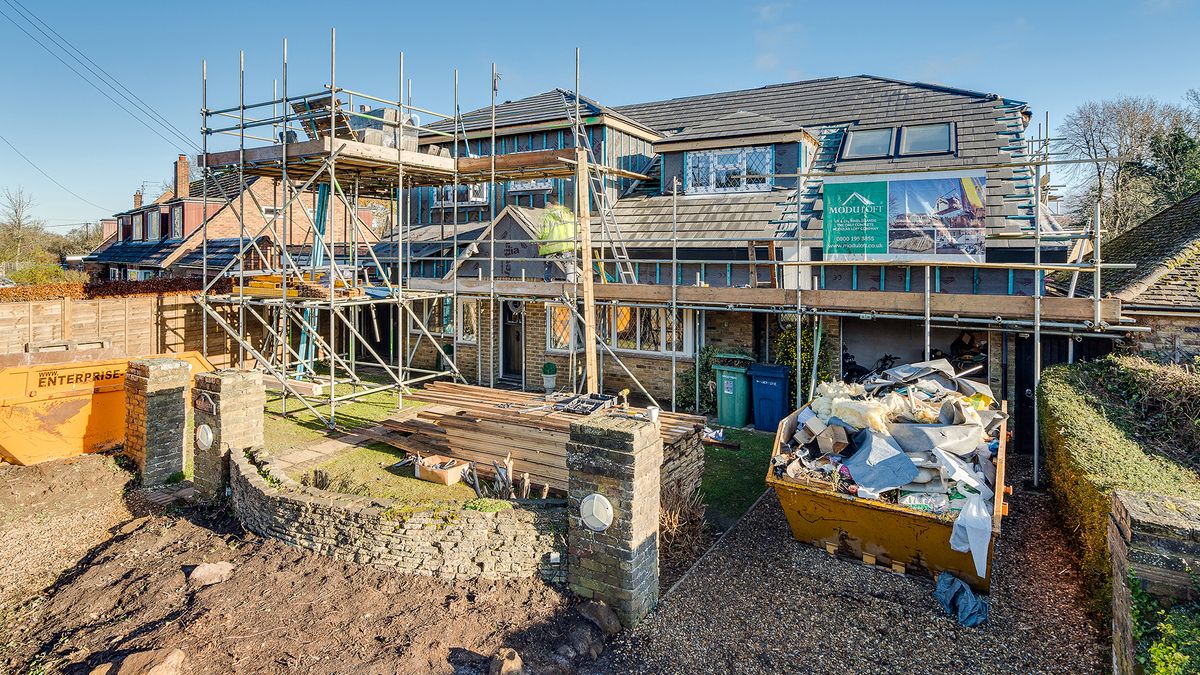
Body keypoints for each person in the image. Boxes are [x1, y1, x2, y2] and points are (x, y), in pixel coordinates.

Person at [539, 194, 577, 282]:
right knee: (568, 264)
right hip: (566, 244)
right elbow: (575, 228)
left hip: (552, 244)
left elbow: (545, 232)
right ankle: (570, 282)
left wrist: (541, 242)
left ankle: (547, 282)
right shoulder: (569, 215)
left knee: (548, 263)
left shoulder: (548, 217)